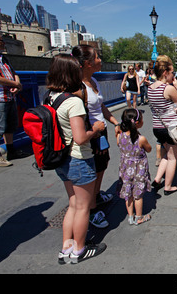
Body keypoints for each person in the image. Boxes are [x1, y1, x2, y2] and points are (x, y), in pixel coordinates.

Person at [46, 54, 106, 265]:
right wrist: (96, 130)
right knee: (82, 207)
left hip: (60, 159)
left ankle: (66, 247)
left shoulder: (51, 97)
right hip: (79, 159)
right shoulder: (73, 101)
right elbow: (80, 138)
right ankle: (79, 249)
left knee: (72, 204)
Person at [72, 44, 119, 229]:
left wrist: (115, 122)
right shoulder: (77, 87)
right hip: (90, 134)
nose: (100, 60)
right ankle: (91, 210)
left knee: (102, 165)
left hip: (101, 130)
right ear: (87, 63)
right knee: (92, 170)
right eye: (97, 57)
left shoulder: (94, 81)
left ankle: (96, 195)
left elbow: (101, 107)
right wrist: (91, 131)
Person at [147, 58, 177, 195]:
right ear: (164, 72)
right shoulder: (168, 88)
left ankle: (157, 180)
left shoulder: (150, 88)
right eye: (172, 72)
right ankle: (168, 186)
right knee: (173, 157)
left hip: (157, 127)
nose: (173, 75)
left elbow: (160, 106)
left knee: (166, 155)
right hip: (170, 128)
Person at [0, 31, 29, 166]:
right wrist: (14, 84)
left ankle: (11, 150)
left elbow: (14, 73)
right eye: (0, 41)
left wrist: (17, 84)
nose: (3, 43)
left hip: (10, 97)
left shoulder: (3, 58)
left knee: (10, 126)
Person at [117, 108, 152, 225]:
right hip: (139, 170)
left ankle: (130, 216)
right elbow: (149, 149)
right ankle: (139, 217)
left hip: (125, 168)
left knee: (128, 193)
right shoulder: (141, 139)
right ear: (137, 123)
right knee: (138, 194)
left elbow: (119, 146)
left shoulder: (120, 136)